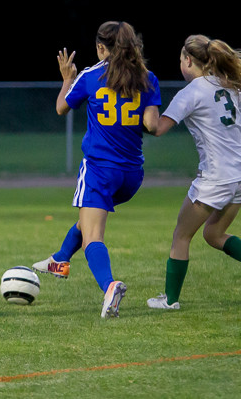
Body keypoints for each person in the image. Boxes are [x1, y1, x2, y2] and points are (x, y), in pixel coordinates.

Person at [32, 21, 161, 318]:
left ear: (102, 48)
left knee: (93, 236)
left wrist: (67, 78)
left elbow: (61, 108)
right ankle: (60, 260)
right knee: (88, 218)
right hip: (132, 175)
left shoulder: (91, 76)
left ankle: (109, 286)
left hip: (100, 170)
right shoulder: (147, 77)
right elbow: (152, 125)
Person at [146, 35, 241, 310]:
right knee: (213, 234)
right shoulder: (227, 85)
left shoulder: (190, 93)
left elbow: (157, 129)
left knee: (181, 235)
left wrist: (144, 105)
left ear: (188, 60)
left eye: (180, 60)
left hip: (218, 176)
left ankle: (170, 301)